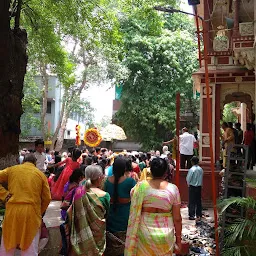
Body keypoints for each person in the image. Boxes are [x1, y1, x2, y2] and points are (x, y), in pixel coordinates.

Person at [124, 157, 182, 256]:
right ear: (166, 171)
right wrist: (179, 241)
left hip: (144, 234)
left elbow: (132, 196)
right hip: (165, 235)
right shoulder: (173, 189)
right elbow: (177, 218)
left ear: (150, 170)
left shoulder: (140, 187)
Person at [0, 153, 51, 255]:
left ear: (23, 161)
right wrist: (39, 212)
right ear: (35, 163)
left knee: (8, 244)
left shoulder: (12, 170)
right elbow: (47, 198)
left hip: (12, 210)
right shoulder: (40, 174)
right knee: (29, 248)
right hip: (31, 212)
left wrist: (4, 194)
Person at [68, 165, 110, 256]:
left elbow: (71, 212)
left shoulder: (78, 192)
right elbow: (107, 214)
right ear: (99, 177)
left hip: (81, 234)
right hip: (98, 234)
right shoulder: (105, 195)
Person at [104, 156, 136, 254]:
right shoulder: (130, 182)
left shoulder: (105, 181)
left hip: (110, 218)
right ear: (125, 168)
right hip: (125, 218)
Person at [186, 156, 203, 220]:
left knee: (192, 201)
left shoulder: (192, 169)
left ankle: (192, 215)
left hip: (192, 187)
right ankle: (199, 214)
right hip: (199, 186)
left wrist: (188, 184)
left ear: (192, 162)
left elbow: (188, 178)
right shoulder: (201, 169)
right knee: (198, 201)